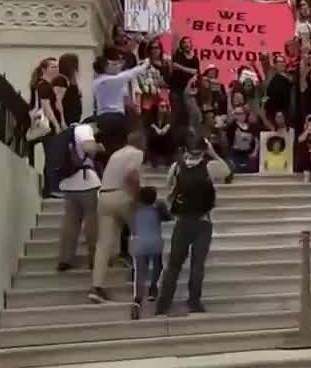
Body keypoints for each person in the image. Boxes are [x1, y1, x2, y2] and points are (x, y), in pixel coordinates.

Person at [156, 135, 230, 315]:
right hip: (203, 221)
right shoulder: (210, 167)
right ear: (204, 149)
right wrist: (213, 153)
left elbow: (168, 188)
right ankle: (194, 301)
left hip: (182, 221)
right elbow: (227, 171)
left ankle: (163, 303)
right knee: (198, 264)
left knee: (174, 264)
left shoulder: (176, 168)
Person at [90, 131, 145, 304]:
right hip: (122, 195)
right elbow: (131, 175)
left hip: (104, 196)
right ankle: (139, 275)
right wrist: (138, 195)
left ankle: (96, 287)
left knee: (103, 244)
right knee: (139, 233)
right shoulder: (137, 153)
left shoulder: (116, 153)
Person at [55, 123, 101, 273]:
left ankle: (65, 259)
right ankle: (94, 259)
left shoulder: (67, 133)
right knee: (92, 222)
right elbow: (89, 148)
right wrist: (98, 147)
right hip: (86, 183)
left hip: (68, 184)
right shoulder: (84, 129)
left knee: (70, 223)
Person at [130, 187, 171, 320]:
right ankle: (153, 287)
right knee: (158, 266)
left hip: (139, 243)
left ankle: (137, 300)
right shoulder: (158, 208)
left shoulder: (135, 209)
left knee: (140, 273)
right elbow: (169, 217)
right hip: (154, 242)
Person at [30, 57, 65, 198]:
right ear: (44, 69)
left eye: (57, 66)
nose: (56, 69)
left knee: (52, 155)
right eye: (52, 67)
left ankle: (49, 188)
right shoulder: (43, 85)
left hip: (51, 125)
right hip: (48, 126)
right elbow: (46, 107)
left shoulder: (48, 85)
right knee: (52, 157)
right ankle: (52, 188)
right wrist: (56, 124)